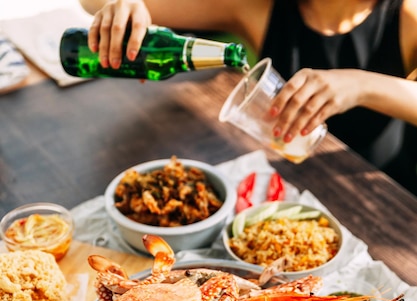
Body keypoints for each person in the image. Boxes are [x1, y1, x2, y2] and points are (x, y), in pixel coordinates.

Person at [79, 0, 417, 194]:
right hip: (289, 190)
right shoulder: (261, 7)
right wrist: (125, 5)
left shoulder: (407, 17)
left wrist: (362, 86)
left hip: (384, 202)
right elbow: (90, 3)